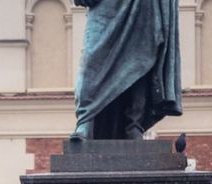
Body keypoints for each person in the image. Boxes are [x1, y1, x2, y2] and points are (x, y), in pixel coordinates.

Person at [72, 0, 182, 141]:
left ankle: (134, 125)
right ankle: (85, 119)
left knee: (140, 61)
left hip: (144, 6)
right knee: (92, 61)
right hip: (105, 5)